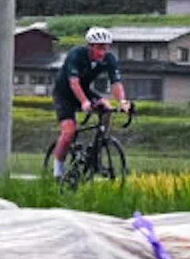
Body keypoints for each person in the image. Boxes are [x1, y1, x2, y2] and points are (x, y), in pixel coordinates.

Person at [50, 26, 132, 178]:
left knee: (107, 107)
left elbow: (116, 83)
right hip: (64, 93)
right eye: (99, 48)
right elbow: (74, 83)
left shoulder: (109, 58)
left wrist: (122, 102)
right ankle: (58, 168)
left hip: (84, 90)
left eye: (106, 48)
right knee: (69, 133)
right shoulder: (76, 54)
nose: (103, 52)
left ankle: (101, 144)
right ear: (90, 46)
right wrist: (84, 102)